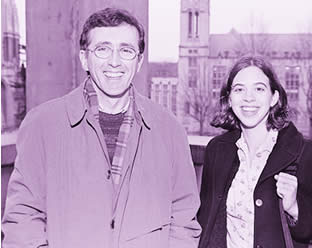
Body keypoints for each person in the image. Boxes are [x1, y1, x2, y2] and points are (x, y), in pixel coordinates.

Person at [2, 8, 201, 248]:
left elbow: (183, 220)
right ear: (85, 58)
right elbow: (23, 219)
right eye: (103, 49)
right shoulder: (41, 125)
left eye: (126, 51)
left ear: (139, 61)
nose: (114, 62)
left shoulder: (170, 130)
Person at [197, 55, 312, 248]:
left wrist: (295, 207)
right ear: (229, 98)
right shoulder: (217, 150)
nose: (248, 98)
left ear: (274, 97)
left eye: (259, 89)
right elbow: (206, 220)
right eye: (239, 89)